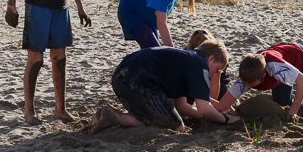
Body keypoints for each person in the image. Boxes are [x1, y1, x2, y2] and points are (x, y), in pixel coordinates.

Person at [83, 39, 241, 134]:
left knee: (162, 117)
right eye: (218, 70)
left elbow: (181, 106)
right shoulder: (200, 65)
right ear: (211, 59)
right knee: (176, 127)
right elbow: (204, 108)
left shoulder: (185, 61)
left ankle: (105, 116)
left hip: (122, 76)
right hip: (138, 80)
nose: (215, 74)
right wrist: (225, 119)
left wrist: (213, 112)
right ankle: (114, 116)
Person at [217, 43, 303, 120]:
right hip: (281, 72)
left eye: (250, 84)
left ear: (263, 76)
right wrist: (238, 116)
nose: (246, 86)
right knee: (283, 104)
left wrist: (293, 111)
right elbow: (222, 105)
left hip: (300, 57)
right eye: (244, 82)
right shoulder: (245, 77)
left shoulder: (277, 68)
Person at [186, 29, 229, 102]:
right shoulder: (188, 56)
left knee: (222, 101)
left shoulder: (217, 60)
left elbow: (214, 89)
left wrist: (209, 106)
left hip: (220, 84)